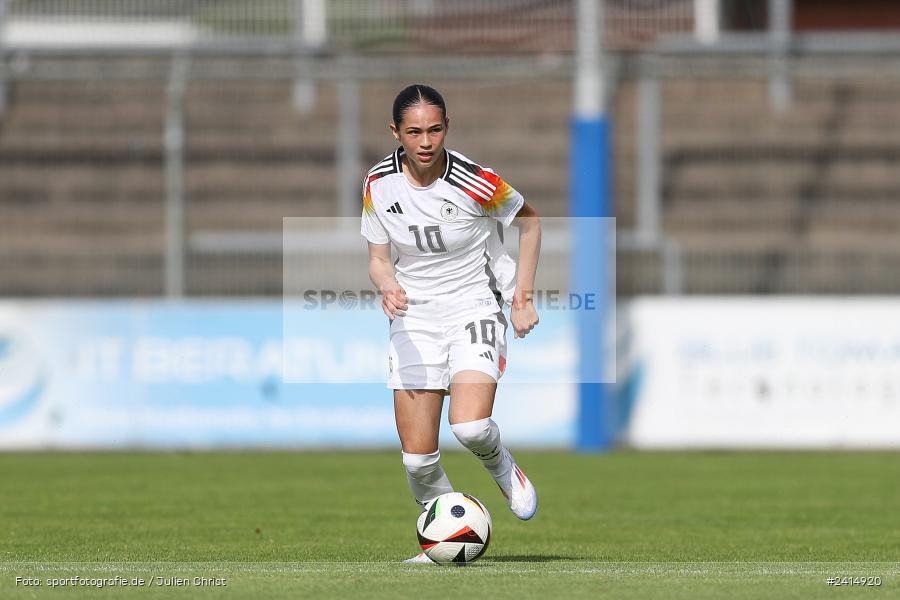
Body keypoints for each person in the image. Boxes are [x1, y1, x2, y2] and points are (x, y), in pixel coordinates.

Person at [361, 84, 541, 563]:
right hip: (413, 316)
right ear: (395, 131)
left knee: (472, 426)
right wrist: (386, 283)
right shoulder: (377, 183)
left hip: (472, 306)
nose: (425, 141)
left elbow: (531, 222)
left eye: (435, 129)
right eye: (414, 131)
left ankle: (504, 469)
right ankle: (447, 535)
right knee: (418, 458)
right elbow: (379, 258)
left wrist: (520, 296)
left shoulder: (475, 181)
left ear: (447, 128)